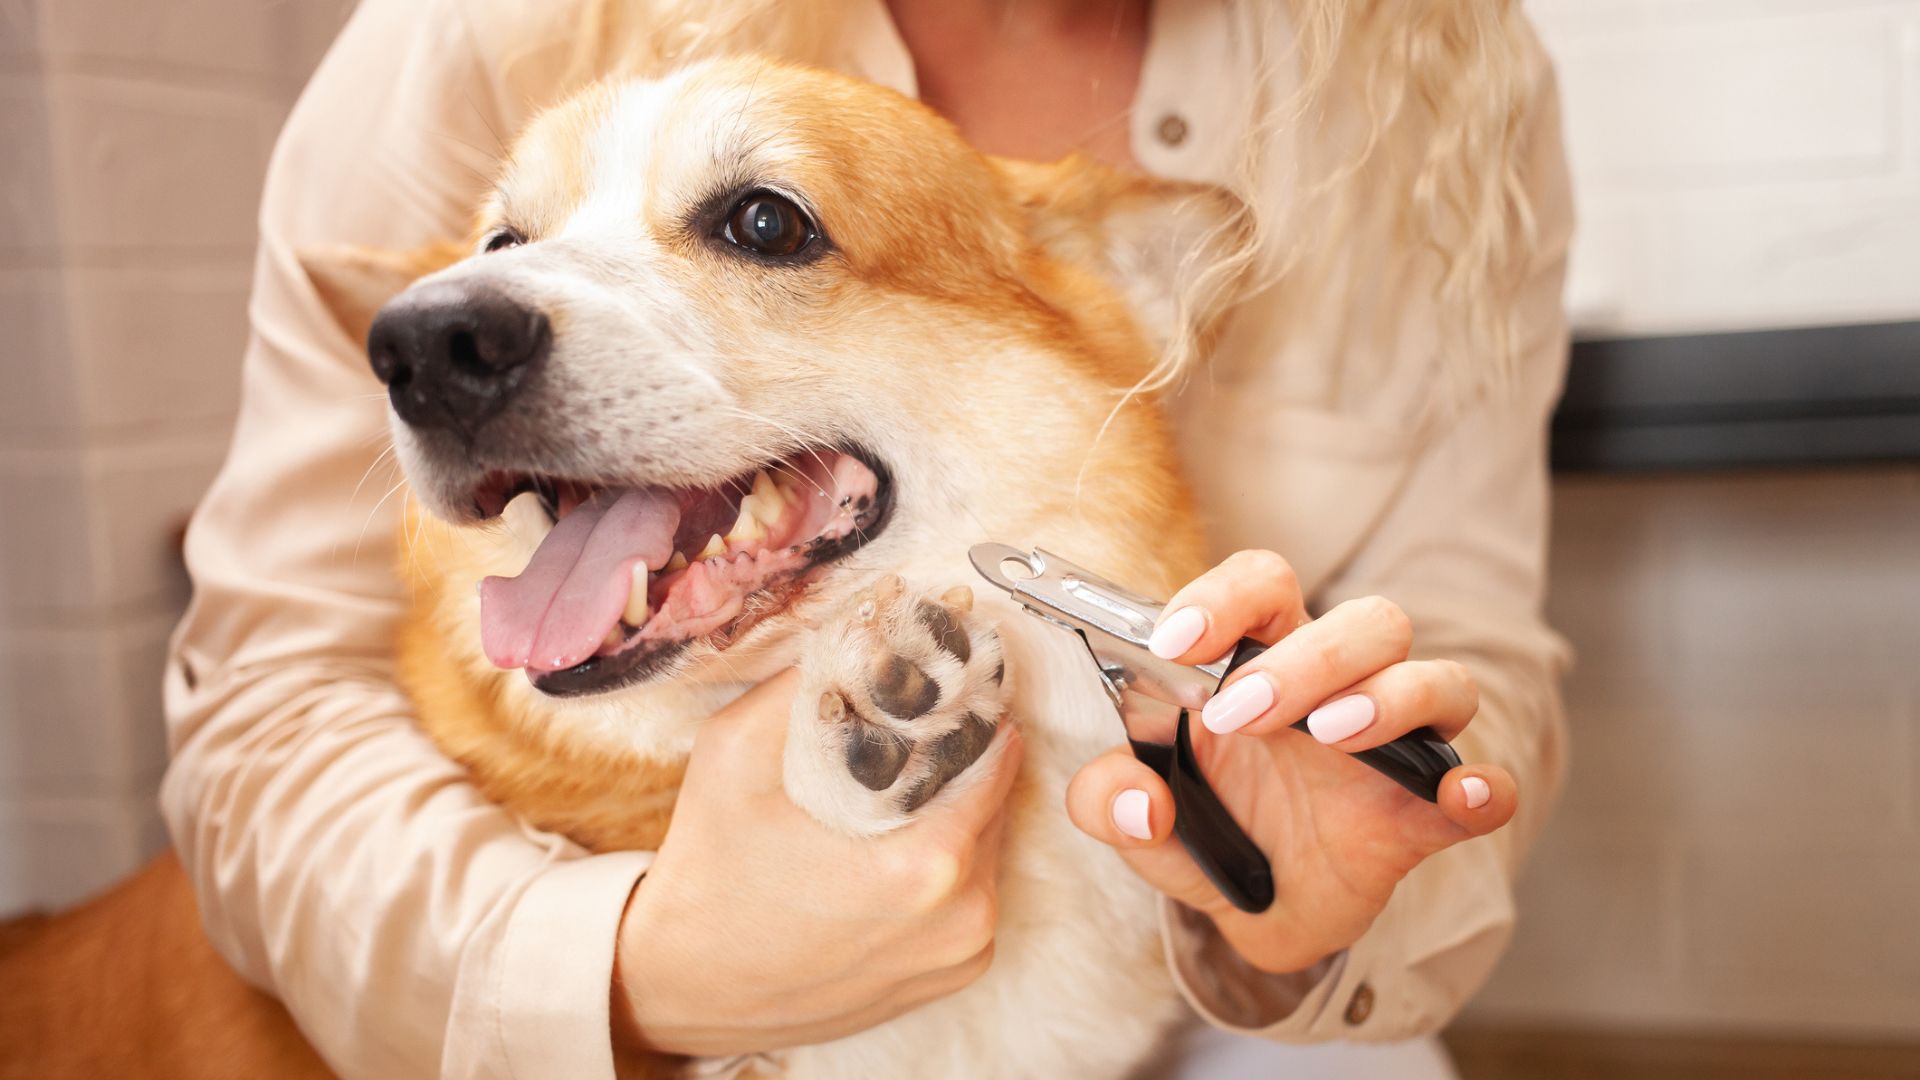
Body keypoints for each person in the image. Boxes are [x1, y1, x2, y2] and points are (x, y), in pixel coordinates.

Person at [162, 0, 1572, 1075]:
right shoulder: (482, 26)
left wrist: (1321, 895)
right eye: (501, 247)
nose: (464, 321)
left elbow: (1468, 648)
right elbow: (263, 713)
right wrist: (640, 965)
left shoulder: (1438, 86)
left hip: (1181, 936)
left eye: (758, 224)